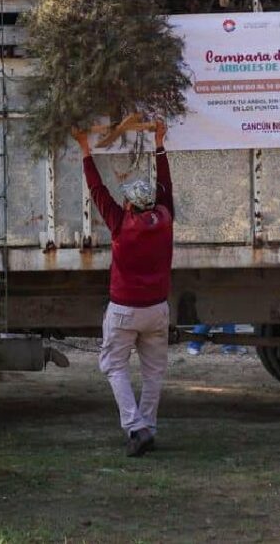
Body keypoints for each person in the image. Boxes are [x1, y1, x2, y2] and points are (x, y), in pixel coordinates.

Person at [72, 119, 174, 457]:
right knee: (154, 373)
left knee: (114, 366)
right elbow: (166, 186)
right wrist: (159, 143)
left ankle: (135, 427)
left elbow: (97, 190)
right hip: (157, 308)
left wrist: (85, 148)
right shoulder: (165, 219)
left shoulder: (121, 225)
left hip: (125, 309)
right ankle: (148, 428)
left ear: (129, 204)